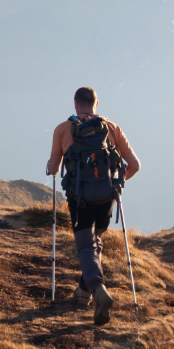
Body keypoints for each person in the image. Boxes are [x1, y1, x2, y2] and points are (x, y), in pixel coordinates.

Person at [45, 86, 141, 326]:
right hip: (106, 198)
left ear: (76, 104)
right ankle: (84, 293)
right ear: (96, 104)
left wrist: (51, 165)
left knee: (86, 246)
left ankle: (98, 289)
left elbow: (54, 169)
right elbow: (135, 165)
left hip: (80, 198)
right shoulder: (111, 128)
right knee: (95, 242)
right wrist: (114, 184)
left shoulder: (63, 129)